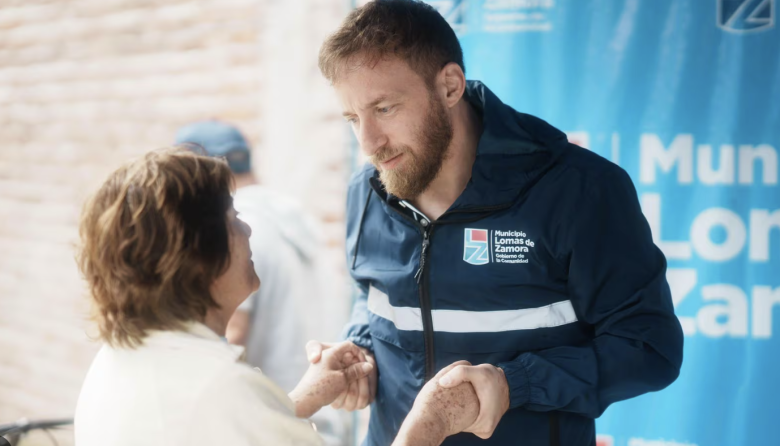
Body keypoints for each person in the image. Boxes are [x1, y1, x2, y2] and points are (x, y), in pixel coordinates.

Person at [307, 1, 685, 445]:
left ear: (449, 85)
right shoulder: (366, 189)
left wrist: (513, 384)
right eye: (353, 118)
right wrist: (359, 351)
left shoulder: (578, 190)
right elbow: (375, 298)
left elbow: (650, 347)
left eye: (385, 108)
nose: (368, 142)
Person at [73, 147, 480, 446]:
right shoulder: (222, 388)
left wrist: (301, 400)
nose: (248, 231)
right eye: (233, 220)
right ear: (198, 258)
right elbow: (221, 410)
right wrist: (428, 422)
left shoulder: (115, 360)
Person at [174, 121, 351, 443]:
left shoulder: (235, 227)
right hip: (325, 416)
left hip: (274, 420)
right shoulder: (293, 216)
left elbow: (231, 333)